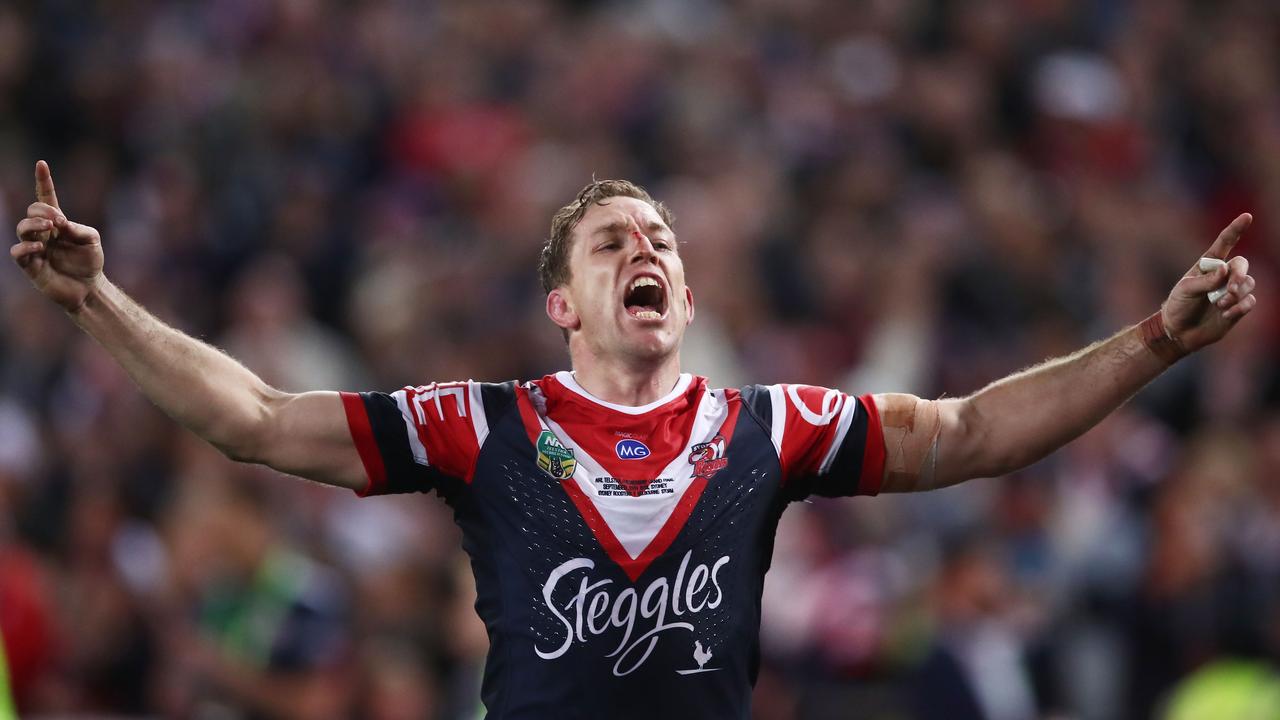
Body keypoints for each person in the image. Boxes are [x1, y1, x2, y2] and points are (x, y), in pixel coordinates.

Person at [11, 162, 1258, 719]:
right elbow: (257, 423)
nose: (644, 249)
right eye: (611, 240)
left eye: (659, 236)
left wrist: (1153, 338)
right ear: (561, 304)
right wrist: (100, 304)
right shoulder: (480, 423)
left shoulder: (767, 425)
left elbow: (978, 430)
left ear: (688, 297)